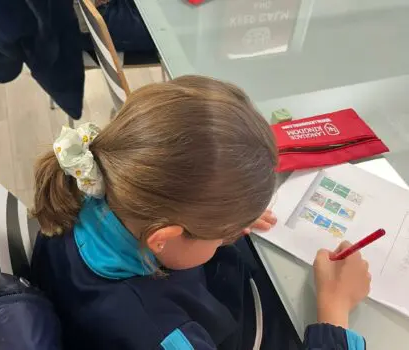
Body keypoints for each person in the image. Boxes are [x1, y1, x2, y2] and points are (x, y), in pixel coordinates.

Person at [29, 75, 370, 349]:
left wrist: (215, 212)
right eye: (224, 234)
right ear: (164, 237)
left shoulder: (96, 187)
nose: (229, 237)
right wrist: (334, 311)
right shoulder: (161, 335)